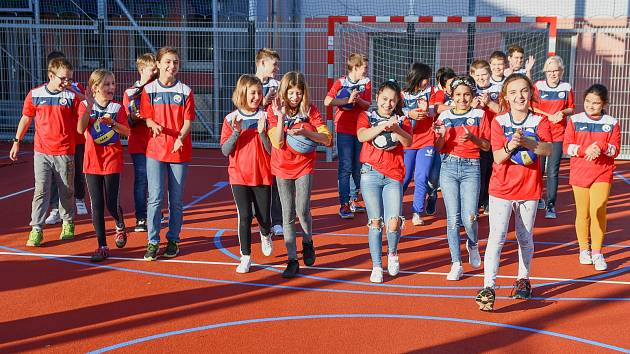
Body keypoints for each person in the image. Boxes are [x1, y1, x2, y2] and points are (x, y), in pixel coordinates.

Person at [475, 73, 552, 311]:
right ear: (506, 97)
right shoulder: (499, 122)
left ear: (530, 93)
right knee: (496, 237)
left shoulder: (540, 121)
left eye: (524, 91)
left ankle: (523, 279)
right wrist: (512, 144)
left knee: (524, 236)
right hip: (501, 188)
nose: (520, 96)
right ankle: (489, 287)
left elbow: (548, 149)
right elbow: (497, 156)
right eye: (514, 92)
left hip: (529, 189)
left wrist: (530, 144)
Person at [268, 71, 332, 277]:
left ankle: (308, 242)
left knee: (302, 209)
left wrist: (306, 132)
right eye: (291, 92)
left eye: (298, 92)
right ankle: (292, 259)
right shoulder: (273, 110)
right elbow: (277, 142)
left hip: (304, 165)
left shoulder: (310, 111)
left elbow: (327, 139)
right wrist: (280, 118)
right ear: (284, 92)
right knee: (287, 214)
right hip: (281, 166)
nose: (295, 97)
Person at [10, 57, 80, 246]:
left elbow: (82, 120)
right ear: (51, 75)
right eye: (63, 78)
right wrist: (17, 141)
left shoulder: (72, 96)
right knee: (41, 190)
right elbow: (26, 118)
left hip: (65, 151)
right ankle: (36, 228)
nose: (67, 83)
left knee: (66, 189)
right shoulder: (35, 94)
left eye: (69, 79)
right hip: (41, 151)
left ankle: (67, 222)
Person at [140, 47, 195, 261]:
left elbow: (188, 121)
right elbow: (146, 116)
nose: (172, 66)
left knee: (177, 200)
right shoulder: (149, 90)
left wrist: (180, 137)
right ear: (159, 64)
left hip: (178, 150)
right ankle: (152, 241)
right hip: (155, 150)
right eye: (168, 62)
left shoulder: (185, 91)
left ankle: (173, 239)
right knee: (155, 198)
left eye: (176, 62)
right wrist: (150, 122)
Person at [434, 76, 490, 281]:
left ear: (472, 95)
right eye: (458, 94)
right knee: (452, 219)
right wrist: (440, 136)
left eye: (466, 94)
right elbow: (439, 147)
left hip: (471, 167)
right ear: (452, 96)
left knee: (470, 217)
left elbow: (486, 146)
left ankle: (473, 244)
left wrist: (473, 138)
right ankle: (456, 263)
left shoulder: (479, 115)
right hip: (448, 166)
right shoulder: (444, 117)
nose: (462, 98)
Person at [356, 80, 412, 283]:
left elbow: (408, 142)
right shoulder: (367, 116)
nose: (387, 104)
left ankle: (393, 253)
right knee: (375, 221)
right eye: (384, 99)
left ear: (397, 102)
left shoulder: (402, 119)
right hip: (370, 173)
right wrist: (381, 127)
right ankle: (377, 265)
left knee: (394, 221)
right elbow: (362, 136)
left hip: (393, 175)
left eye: (392, 101)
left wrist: (395, 129)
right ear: (378, 97)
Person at [220, 74, 274, 273]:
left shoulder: (267, 117)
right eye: (253, 92)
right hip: (239, 176)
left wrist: (262, 133)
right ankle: (245, 256)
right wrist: (236, 132)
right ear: (243, 93)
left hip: (262, 174)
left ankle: (265, 234)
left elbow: (272, 150)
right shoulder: (231, 119)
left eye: (260, 92)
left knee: (264, 217)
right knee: (244, 216)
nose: (257, 96)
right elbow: (225, 151)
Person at [563, 84, 620, 271]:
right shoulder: (574, 120)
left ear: (604, 103)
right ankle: (583, 249)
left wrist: (601, 146)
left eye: (596, 103)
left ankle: (597, 252)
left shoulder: (612, 122)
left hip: (603, 173)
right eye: (588, 101)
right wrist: (583, 150)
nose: (591, 105)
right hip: (579, 172)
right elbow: (567, 147)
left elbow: (614, 150)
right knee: (583, 212)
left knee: (598, 210)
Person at [77, 69, 130, 262]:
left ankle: (119, 223)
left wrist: (113, 124)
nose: (111, 87)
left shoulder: (117, 108)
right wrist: (90, 108)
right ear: (95, 87)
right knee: (97, 205)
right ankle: (102, 246)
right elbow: (81, 129)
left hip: (112, 160)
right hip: (92, 162)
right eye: (106, 84)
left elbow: (128, 132)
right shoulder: (85, 105)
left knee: (111, 203)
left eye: (113, 83)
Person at [324, 52, 371, 219]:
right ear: (355, 67)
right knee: (345, 166)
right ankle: (343, 203)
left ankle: (354, 199)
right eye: (364, 67)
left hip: (360, 129)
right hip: (344, 128)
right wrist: (346, 101)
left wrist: (356, 100)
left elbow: (367, 106)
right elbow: (328, 101)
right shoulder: (341, 82)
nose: (367, 70)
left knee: (358, 166)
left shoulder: (366, 83)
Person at [44, 51, 88, 224]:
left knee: (76, 171)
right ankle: (55, 208)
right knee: (55, 177)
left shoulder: (75, 87)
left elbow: (85, 102)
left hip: (76, 139)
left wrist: (72, 89)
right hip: (55, 143)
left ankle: (79, 199)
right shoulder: (47, 90)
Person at [532, 56, 575, 218]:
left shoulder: (566, 87)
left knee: (553, 171)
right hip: (541, 133)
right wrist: (548, 115)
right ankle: (538, 198)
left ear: (561, 71)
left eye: (556, 70)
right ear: (545, 71)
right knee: (539, 168)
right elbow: (533, 108)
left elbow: (571, 108)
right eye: (549, 70)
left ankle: (551, 203)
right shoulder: (538, 86)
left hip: (558, 133)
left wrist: (562, 113)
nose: (553, 73)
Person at [123, 53, 158, 232]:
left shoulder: (158, 89)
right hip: (138, 141)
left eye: (156, 69)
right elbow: (126, 121)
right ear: (142, 69)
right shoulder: (130, 92)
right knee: (142, 179)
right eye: (153, 69)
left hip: (156, 141)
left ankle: (156, 212)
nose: (155, 72)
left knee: (156, 181)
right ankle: (141, 218)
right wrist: (134, 117)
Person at [255, 48, 284, 236]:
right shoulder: (249, 83)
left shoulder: (278, 84)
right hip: (253, 137)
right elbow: (240, 107)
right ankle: (256, 215)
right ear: (262, 63)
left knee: (275, 178)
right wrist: (263, 102)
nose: (277, 68)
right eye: (274, 64)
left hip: (272, 136)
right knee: (255, 180)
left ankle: (278, 221)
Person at [401, 63, 434, 226]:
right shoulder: (402, 94)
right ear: (417, 77)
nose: (427, 81)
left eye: (428, 78)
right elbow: (396, 110)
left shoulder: (431, 92)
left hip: (427, 140)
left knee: (421, 176)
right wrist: (409, 112)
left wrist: (428, 111)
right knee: (405, 177)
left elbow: (438, 108)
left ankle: (417, 211)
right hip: (408, 141)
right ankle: (394, 207)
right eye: (425, 78)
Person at [469, 59, 501, 215]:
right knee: (478, 171)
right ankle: (477, 201)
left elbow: (503, 110)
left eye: (484, 74)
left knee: (492, 169)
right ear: (473, 75)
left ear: (490, 74)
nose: (481, 78)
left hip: (494, 135)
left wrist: (489, 102)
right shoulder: (470, 90)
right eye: (478, 75)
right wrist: (472, 107)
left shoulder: (499, 89)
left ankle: (488, 201)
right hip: (478, 137)